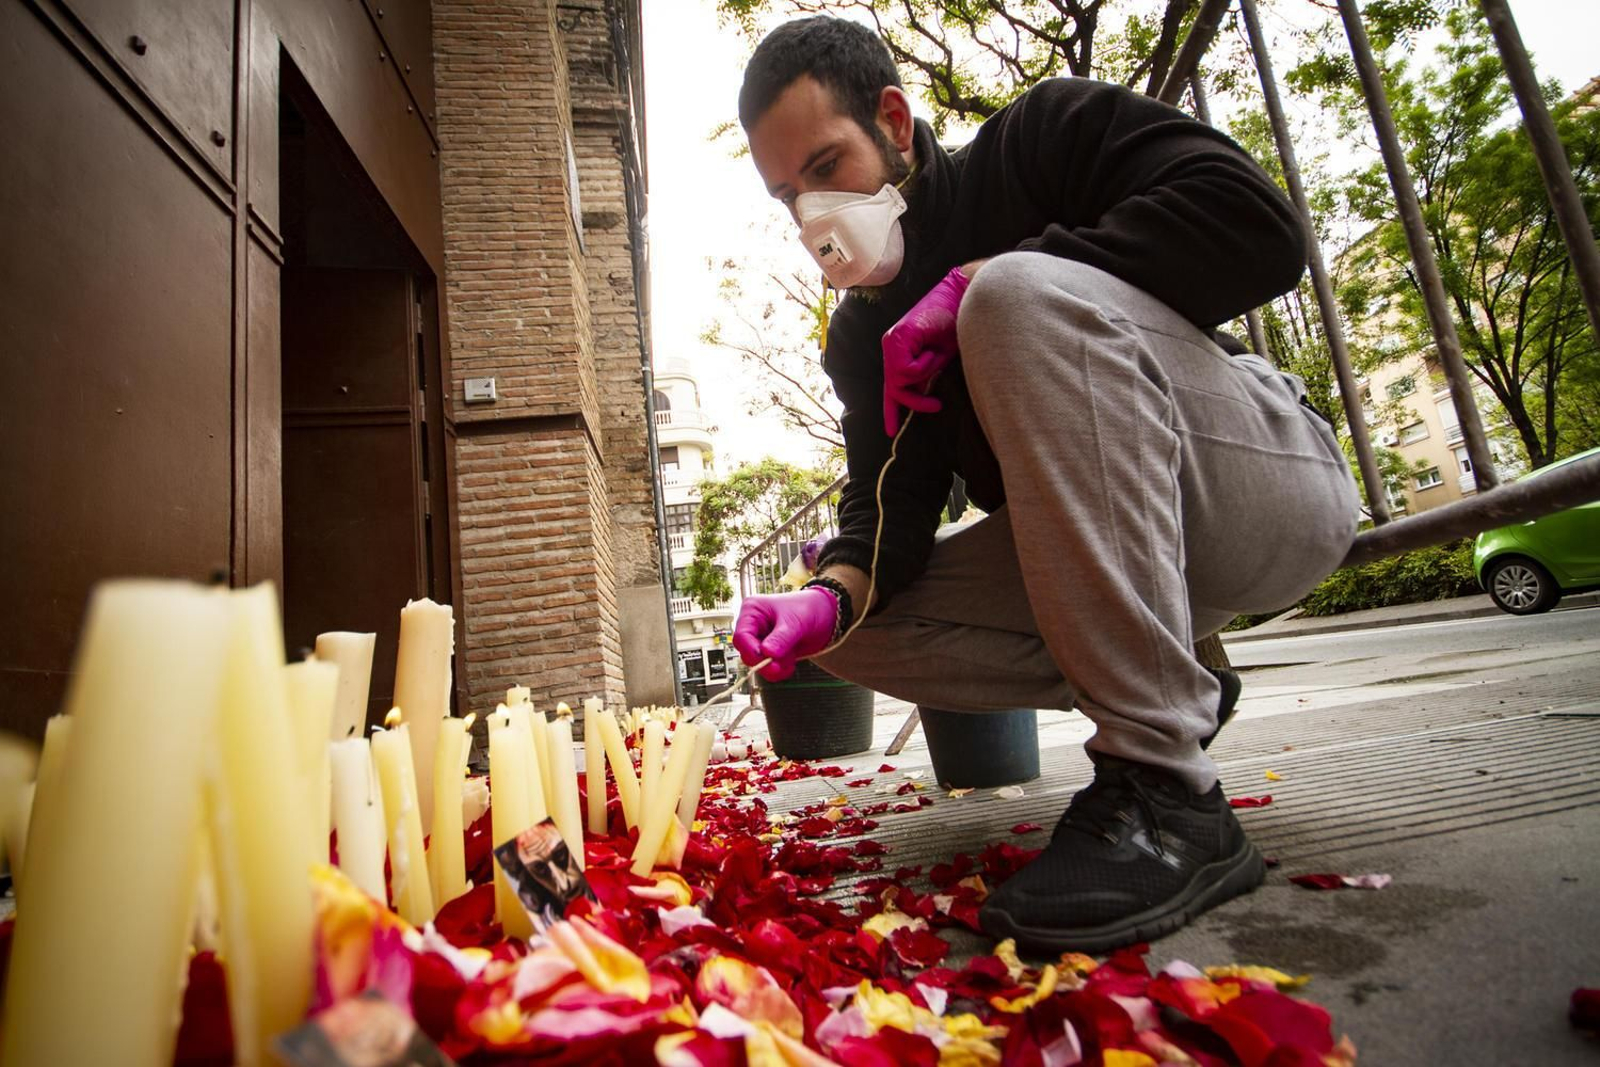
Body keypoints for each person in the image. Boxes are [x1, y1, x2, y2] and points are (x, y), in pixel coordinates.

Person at [730, 16, 1359, 953]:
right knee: (849, 631)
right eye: (788, 196)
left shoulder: (1039, 140)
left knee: (1012, 296)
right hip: (1118, 558)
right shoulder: (863, 333)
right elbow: (890, 501)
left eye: (827, 167)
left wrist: (983, 282)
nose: (814, 215)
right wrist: (827, 596)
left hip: (1258, 484)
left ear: (894, 122)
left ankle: (1164, 788)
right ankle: (1176, 681)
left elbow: (1259, 228)